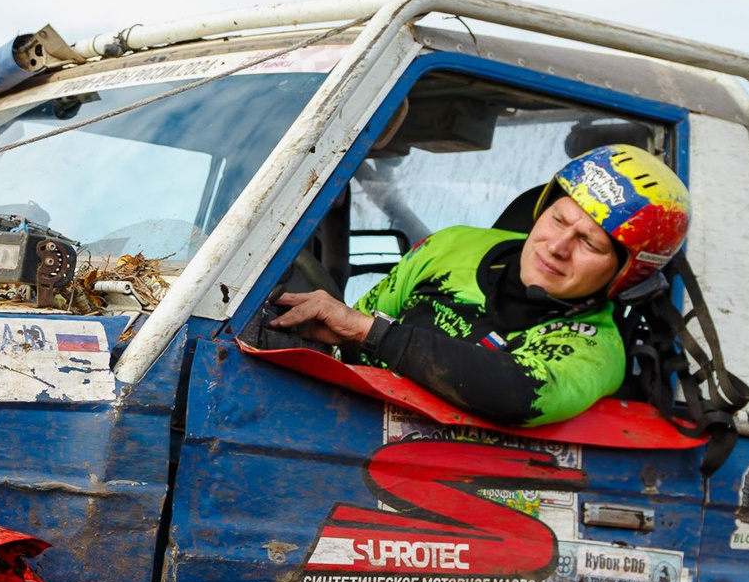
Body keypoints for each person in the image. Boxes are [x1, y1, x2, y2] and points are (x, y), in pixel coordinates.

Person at [271, 143, 691, 428]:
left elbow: (514, 391)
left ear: (625, 274)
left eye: (590, 243)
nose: (558, 247)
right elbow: (352, 332)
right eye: (558, 220)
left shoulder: (595, 349)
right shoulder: (453, 245)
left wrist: (366, 331)